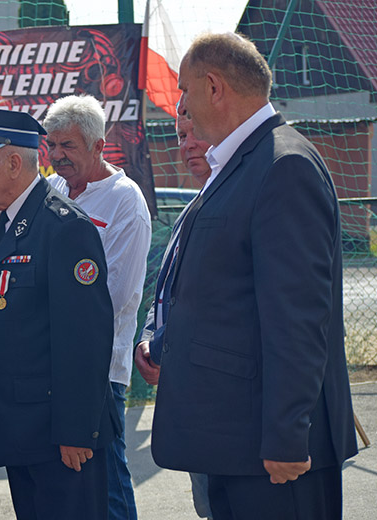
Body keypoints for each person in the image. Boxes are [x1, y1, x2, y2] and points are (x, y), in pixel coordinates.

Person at [152, 32, 357, 519]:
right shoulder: (241, 163)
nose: (181, 104)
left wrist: (288, 434)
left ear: (214, 86)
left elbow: (298, 316)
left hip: (275, 455)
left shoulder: (283, 166)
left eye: (184, 90)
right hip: (235, 442)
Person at [0, 106, 119, 519]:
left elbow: (85, 338)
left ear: (14, 163)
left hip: (60, 437)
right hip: (18, 428)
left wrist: (76, 430)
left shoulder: (64, 227)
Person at [43, 94, 151, 520]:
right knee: (69, 492)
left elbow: (115, 297)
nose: (57, 156)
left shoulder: (125, 201)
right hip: (51, 365)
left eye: (68, 146)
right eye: (52, 145)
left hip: (100, 370)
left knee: (106, 487)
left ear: (98, 146)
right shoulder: (51, 188)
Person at [134, 110, 214, 520]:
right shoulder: (193, 209)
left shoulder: (229, 207)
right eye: (182, 135)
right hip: (190, 399)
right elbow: (165, 292)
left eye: (197, 133)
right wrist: (151, 339)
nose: (188, 145)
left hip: (224, 406)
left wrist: (163, 347)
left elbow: (210, 305)